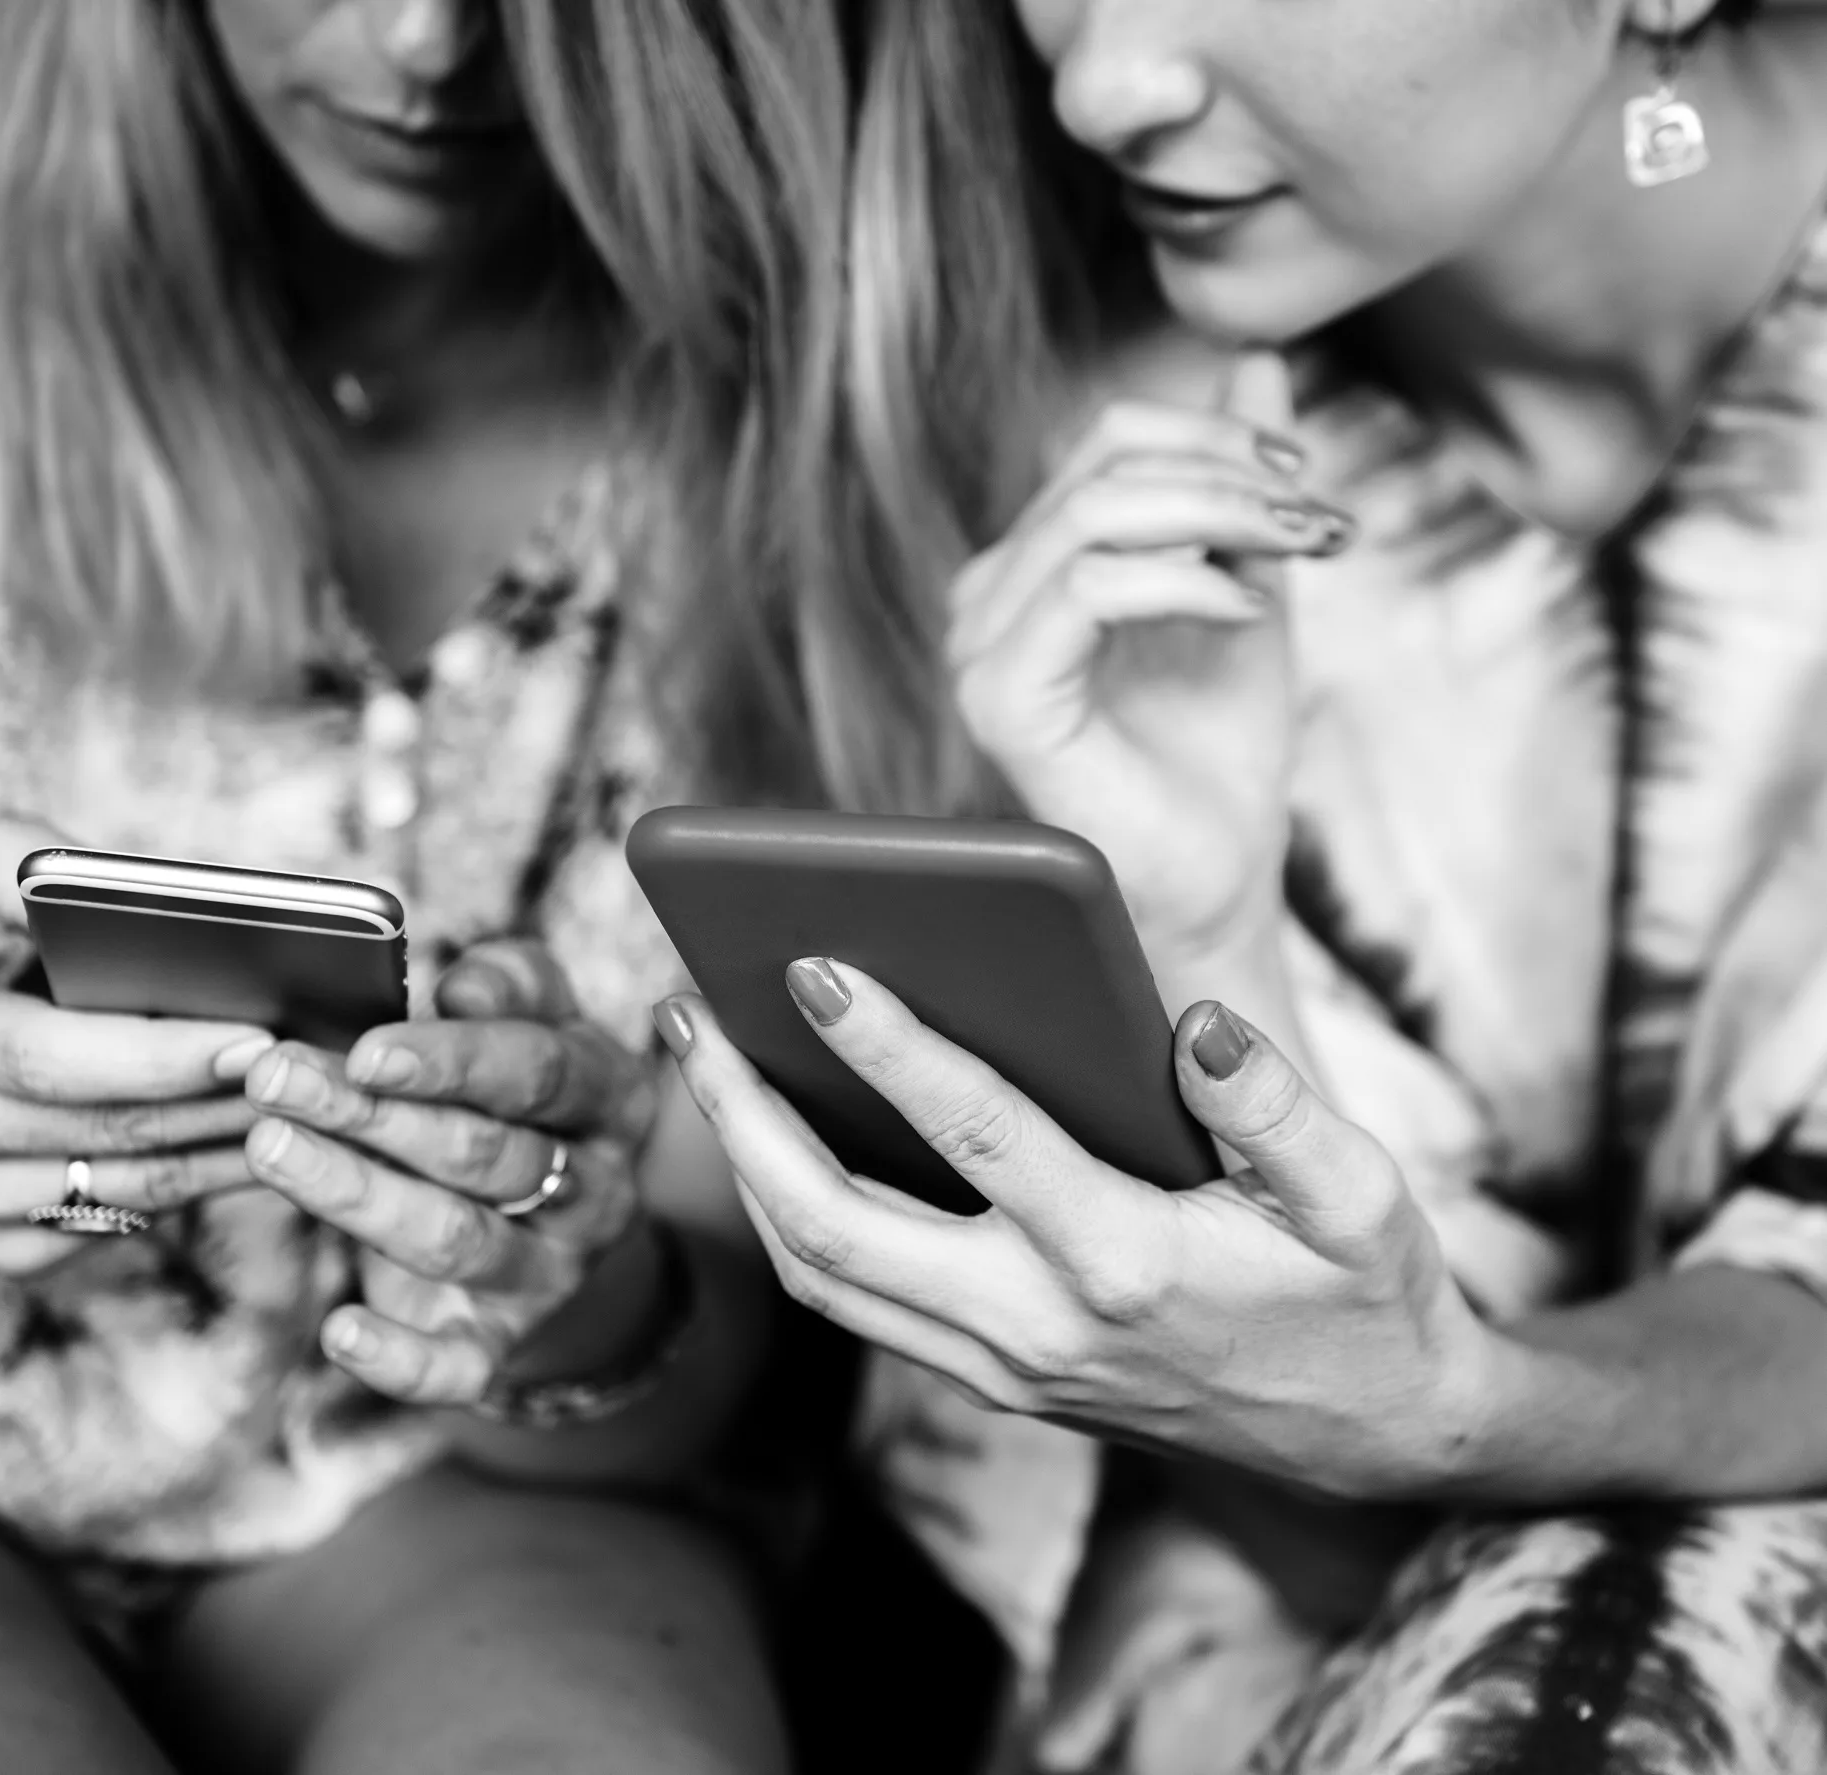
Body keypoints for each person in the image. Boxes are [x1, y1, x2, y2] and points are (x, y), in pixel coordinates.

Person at [0, 0, 851, 1769]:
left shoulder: (822, 359)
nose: (427, 44)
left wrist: (555, 1278)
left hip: (448, 1487)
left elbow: (689, 1394)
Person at [659, 0, 1827, 1770]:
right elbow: (1308, 1462)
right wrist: (1204, 938)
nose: (1097, 80)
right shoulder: (1086, 486)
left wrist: (1468, 1411)